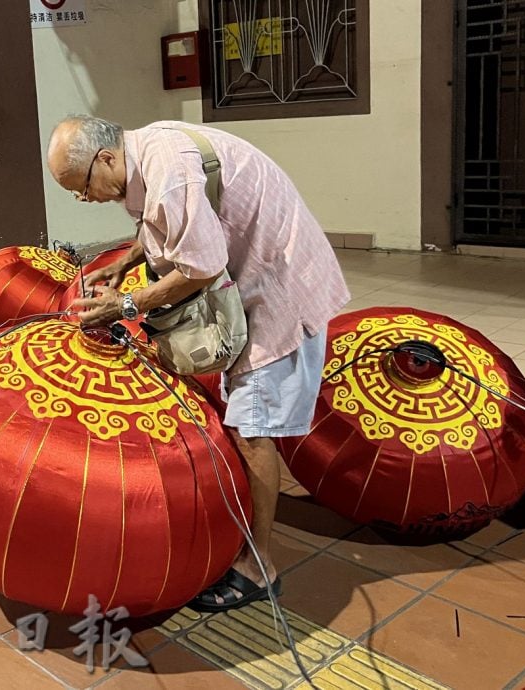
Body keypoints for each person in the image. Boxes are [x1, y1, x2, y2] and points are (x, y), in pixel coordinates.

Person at [47, 116, 350, 612]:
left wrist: (125, 306)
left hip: (277, 289)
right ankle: (250, 536)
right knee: (244, 418)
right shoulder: (144, 152)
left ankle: (259, 569)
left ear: (104, 159)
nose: (84, 199)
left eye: (80, 188)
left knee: (252, 432)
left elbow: (201, 265)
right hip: (249, 279)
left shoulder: (170, 170)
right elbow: (170, 221)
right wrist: (126, 261)